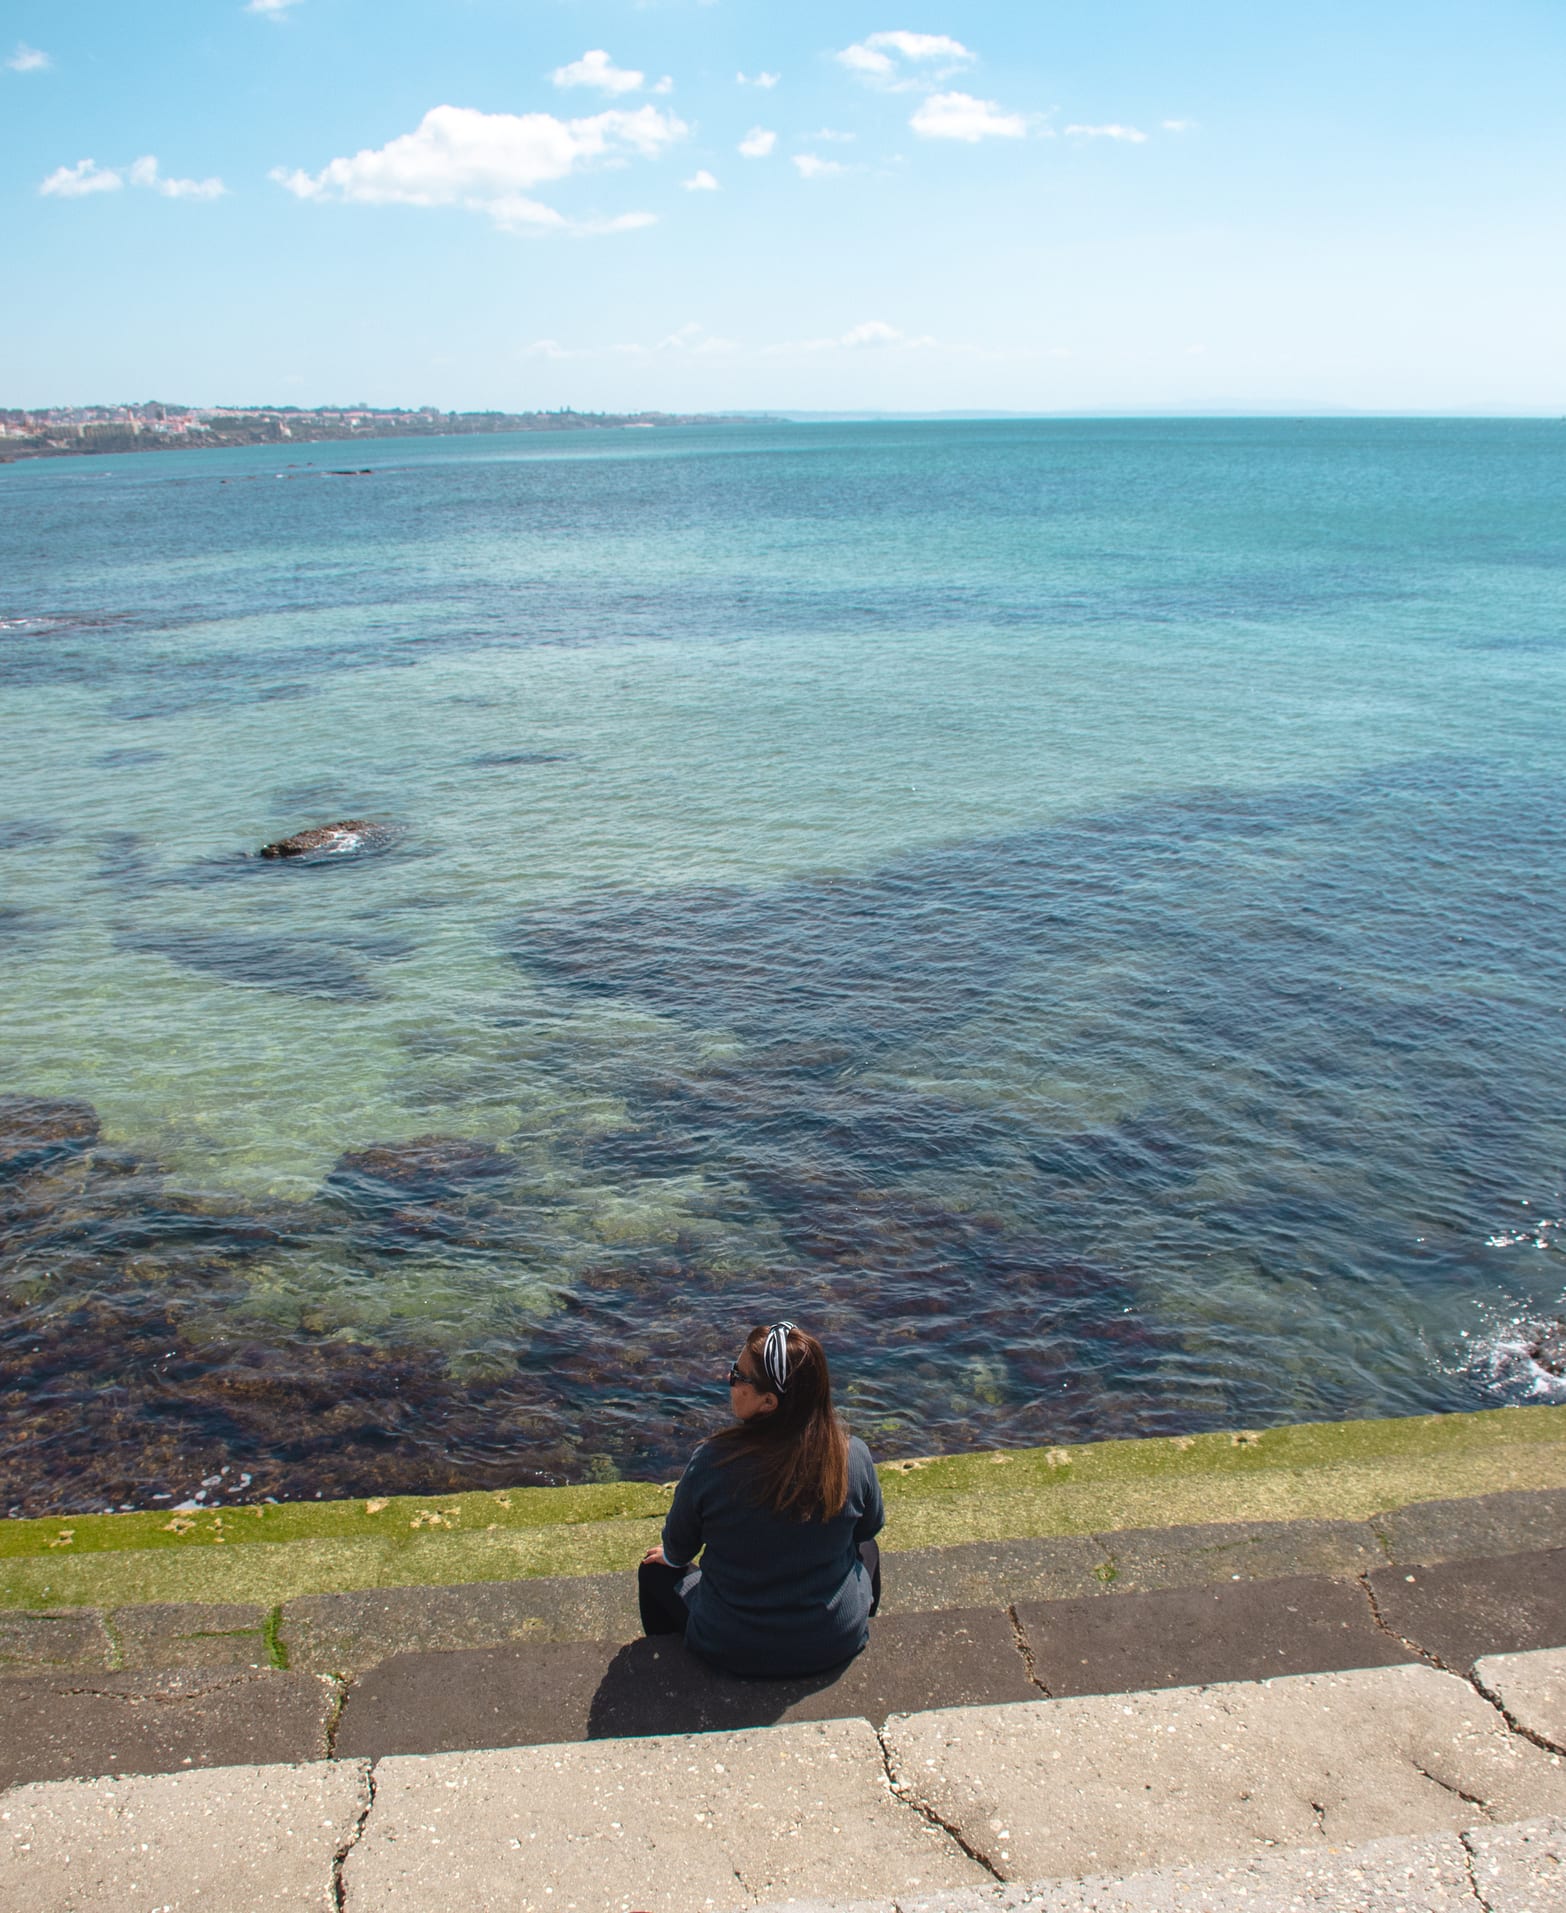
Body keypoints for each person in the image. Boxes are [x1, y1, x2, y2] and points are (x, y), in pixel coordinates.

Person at [637, 1321, 884, 1679]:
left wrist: (672, 1558)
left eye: (739, 1376)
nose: (729, 1377)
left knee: (654, 1571)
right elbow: (867, 1528)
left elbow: (678, 1549)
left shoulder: (712, 1463)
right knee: (869, 1548)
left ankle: (672, 1667)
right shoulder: (852, 1455)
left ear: (769, 1402)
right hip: (833, 1640)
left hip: (731, 1645)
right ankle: (860, 1620)